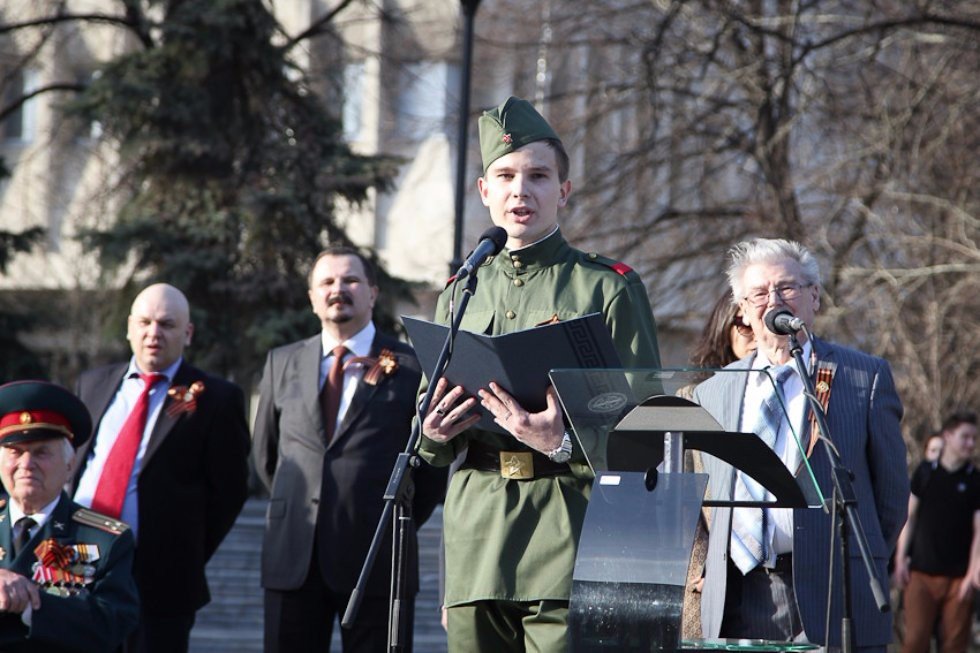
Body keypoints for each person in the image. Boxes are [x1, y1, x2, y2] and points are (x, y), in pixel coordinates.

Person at [418, 96, 662, 652]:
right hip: (478, 533)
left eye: (538, 176)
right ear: (484, 191)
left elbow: (649, 430)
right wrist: (432, 431)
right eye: (504, 176)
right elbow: (425, 433)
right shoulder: (460, 293)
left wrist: (564, 441)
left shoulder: (607, 288)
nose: (520, 191)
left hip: (569, 530)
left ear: (564, 191)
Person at [692, 238, 908, 649]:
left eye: (787, 287)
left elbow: (892, 495)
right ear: (743, 309)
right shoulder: (715, 391)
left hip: (833, 591)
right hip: (737, 597)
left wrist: (852, 560)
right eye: (758, 292)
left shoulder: (863, 377)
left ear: (814, 299)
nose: (773, 299)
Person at [253, 246, 446, 653]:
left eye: (350, 280)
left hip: (378, 562)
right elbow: (268, 457)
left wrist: (395, 519)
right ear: (312, 297)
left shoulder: (413, 367)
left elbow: (430, 469)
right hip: (294, 560)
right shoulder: (281, 363)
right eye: (326, 282)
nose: (338, 289)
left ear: (373, 293)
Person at [70, 283, 250, 653]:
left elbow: (228, 493)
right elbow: (73, 466)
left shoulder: (216, 399)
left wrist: (183, 549)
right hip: (78, 568)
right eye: (145, 322)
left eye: (167, 324)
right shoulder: (92, 384)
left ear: (187, 334)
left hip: (160, 580)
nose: (154, 333)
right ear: (129, 327)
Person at [0, 380, 139, 651]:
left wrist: (31, 602)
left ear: (69, 465)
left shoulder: (105, 538)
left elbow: (111, 623)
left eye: (41, 452)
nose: (26, 465)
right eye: (15, 452)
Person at [679, 291, 757, 638]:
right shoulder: (693, 398)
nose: (756, 334)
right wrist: (705, 563)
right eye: (744, 324)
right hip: (710, 573)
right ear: (724, 328)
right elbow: (682, 499)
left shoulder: (796, 395)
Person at [893, 412, 980, 653]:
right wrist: (900, 559)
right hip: (921, 573)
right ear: (948, 436)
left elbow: (979, 533)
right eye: (965, 437)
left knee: (954, 644)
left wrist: (973, 572)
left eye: (974, 438)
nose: (970, 444)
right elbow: (909, 518)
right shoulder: (925, 473)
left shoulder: (974, 480)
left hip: (958, 578)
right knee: (915, 641)